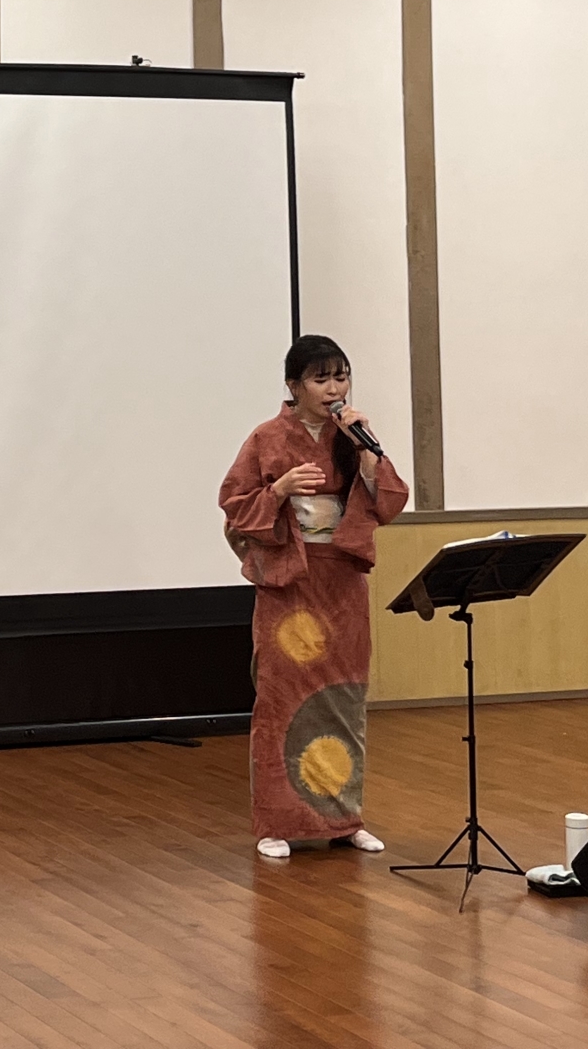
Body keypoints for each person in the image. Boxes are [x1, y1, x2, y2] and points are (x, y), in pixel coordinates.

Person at [218, 335, 409, 861]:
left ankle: (344, 819)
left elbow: (389, 502)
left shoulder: (354, 436)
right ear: (293, 385)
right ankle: (276, 823)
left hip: (340, 579)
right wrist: (279, 490)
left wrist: (367, 456)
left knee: (342, 699)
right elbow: (234, 505)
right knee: (282, 699)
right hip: (290, 581)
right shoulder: (266, 438)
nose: (333, 389)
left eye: (341, 377)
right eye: (321, 379)